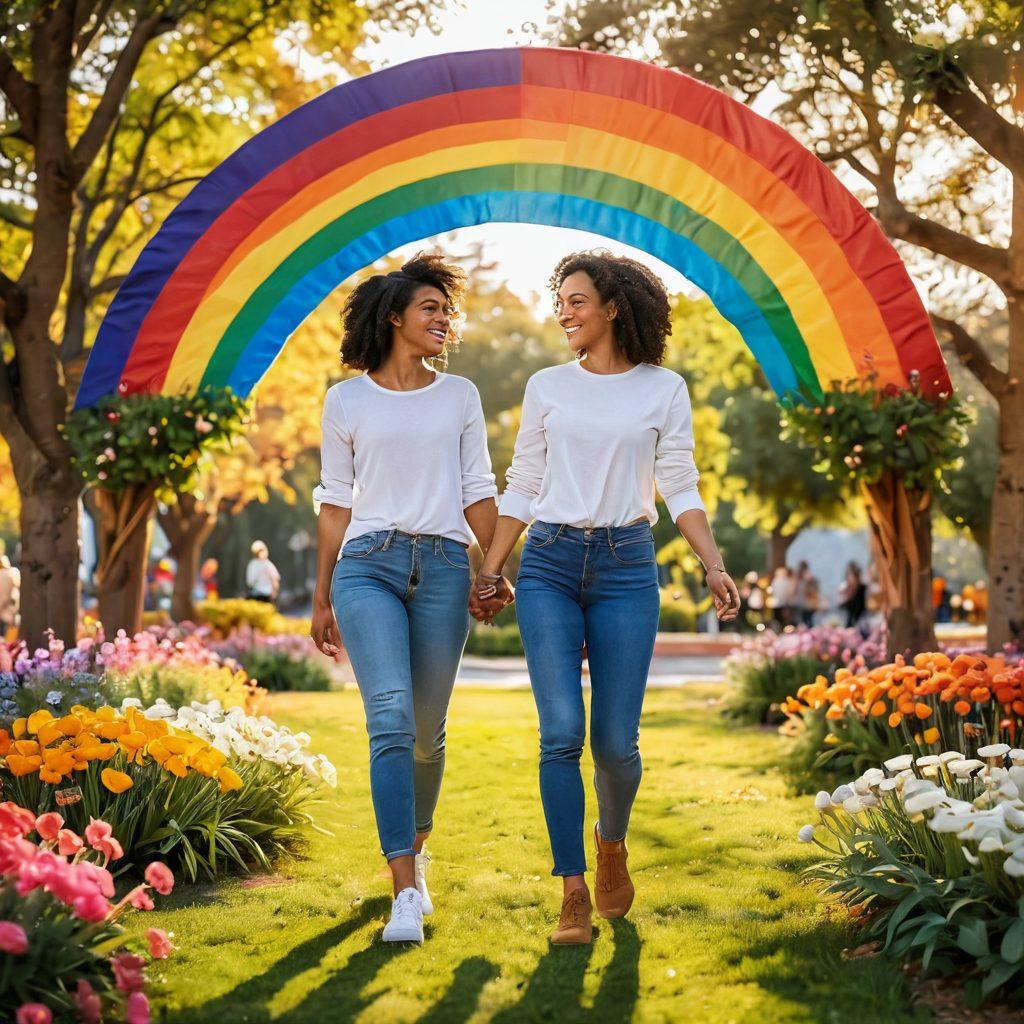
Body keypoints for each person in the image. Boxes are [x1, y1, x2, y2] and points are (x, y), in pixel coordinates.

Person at [471, 251, 739, 945]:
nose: (563, 312)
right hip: (550, 564)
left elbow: (678, 482)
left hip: (626, 567)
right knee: (561, 733)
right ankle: (572, 894)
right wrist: (491, 569)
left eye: (577, 300)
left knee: (616, 744)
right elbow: (523, 481)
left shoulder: (663, 389)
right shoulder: (547, 386)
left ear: (614, 307)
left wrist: (712, 565)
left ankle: (611, 841)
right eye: (559, 300)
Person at [309, 253, 508, 946]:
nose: (443, 320)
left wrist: (496, 567)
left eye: (447, 311)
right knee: (389, 717)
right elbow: (336, 503)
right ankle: (401, 890)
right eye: (431, 308)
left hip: (446, 568)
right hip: (368, 566)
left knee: (426, 733)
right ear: (395, 317)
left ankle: (417, 853)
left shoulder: (460, 396)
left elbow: (478, 489)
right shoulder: (347, 401)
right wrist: (321, 595)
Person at [838, 561, 867, 629]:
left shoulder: (864, 588)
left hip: (862, 622)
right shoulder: (843, 588)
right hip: (846, 622)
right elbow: (840, 605)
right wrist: (849, 592)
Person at [0, 553, 20, 640]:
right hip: (9, 616)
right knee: (8, 643)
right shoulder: (13, 572)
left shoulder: (5, 574)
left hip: (4, 614)